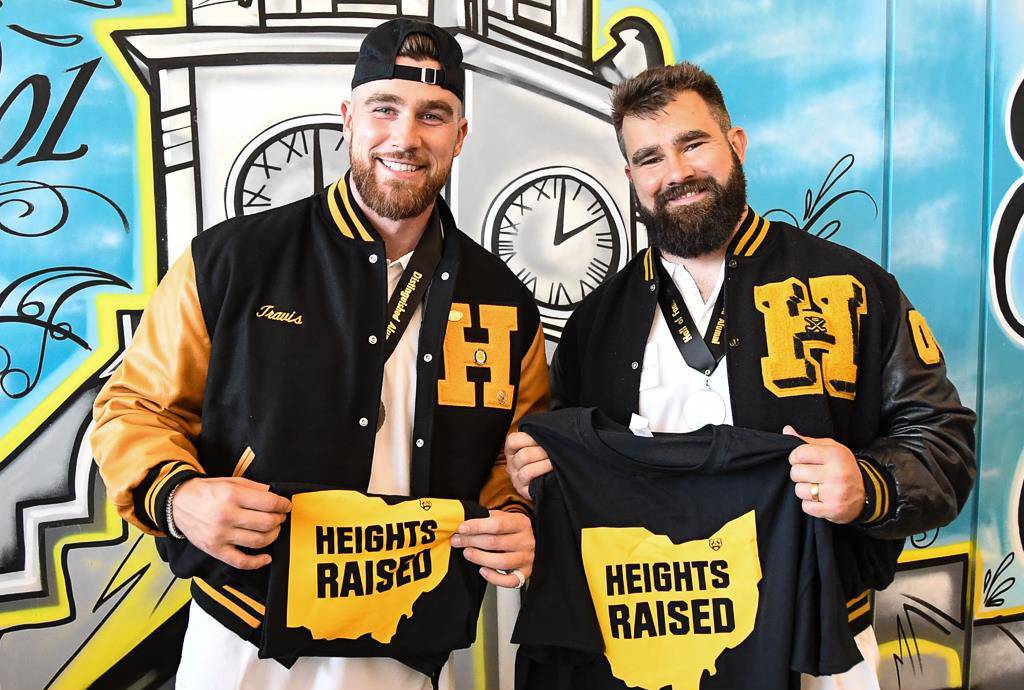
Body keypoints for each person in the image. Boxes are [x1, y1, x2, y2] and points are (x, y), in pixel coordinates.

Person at [91, 18, 548, 690]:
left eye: (432, 115)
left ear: (459, 136)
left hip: (410, 643)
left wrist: (517, 516)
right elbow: (135, 408)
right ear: (348, 118)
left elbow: (518, 453)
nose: (406, 136)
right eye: (384, 108)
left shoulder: (503, 300)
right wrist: (177, 496)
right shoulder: (232, 261)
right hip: (241, 637)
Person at [504, 62, 976, 689]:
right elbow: (563, 478)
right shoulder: (595, 322)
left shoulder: (852, 287)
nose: (676, 172)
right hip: (642, 646)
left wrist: (868, 485)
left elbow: (944, 445)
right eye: (650, 158)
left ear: (737, 144)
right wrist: (534, 476)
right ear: (631, 177)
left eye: (693, 143)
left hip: (816, 644)